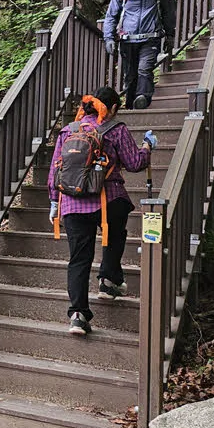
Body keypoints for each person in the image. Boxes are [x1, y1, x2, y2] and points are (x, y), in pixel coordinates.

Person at [47, 87, 156, 335]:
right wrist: (147, 147)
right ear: (113, 107)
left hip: (72, 202)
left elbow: (56, 171)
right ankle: (108, 279)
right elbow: (135, 163)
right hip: (108, 198)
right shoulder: (116, 129)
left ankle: (77, 315)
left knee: (79, 258)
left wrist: (55, 202)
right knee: (116, 232)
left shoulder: (68, 131)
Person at [102, 0, 176, 110]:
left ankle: (143, 98)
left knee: (144, 68)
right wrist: (109, 38)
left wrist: (170, 35)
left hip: (151, 38)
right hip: (127, 40)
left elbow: (169, 13)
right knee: (130, 76)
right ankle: (130, 106)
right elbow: (111, 16)